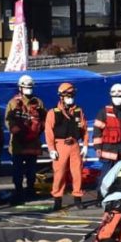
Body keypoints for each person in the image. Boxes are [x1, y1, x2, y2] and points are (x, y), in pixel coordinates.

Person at [45, 82, 88, 211]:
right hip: (60, 145)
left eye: (72, 94)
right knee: (59, 174)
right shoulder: (53, 112)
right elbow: (48, 131)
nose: (70, 97)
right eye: (68, 95)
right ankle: (57, 199)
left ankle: (77, 198)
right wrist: (51, 149)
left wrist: (85, 145)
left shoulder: (78, 111)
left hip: (74, 145)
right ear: (61, 97)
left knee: (77, 173)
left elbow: (84, 129)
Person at [5, 74, 46, 204]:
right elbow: (8, 120)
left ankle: (30, 189)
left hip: (33, 142)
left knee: (31, 170)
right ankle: (18, 191)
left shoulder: (38, 103)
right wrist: (15, 129)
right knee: (17, 170)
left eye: (30, 87)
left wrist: (38, 129)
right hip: (18, 143)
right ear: (20, 88)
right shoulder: (13, 103)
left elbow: (45, 119)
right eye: (26, 87)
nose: (28, 89)